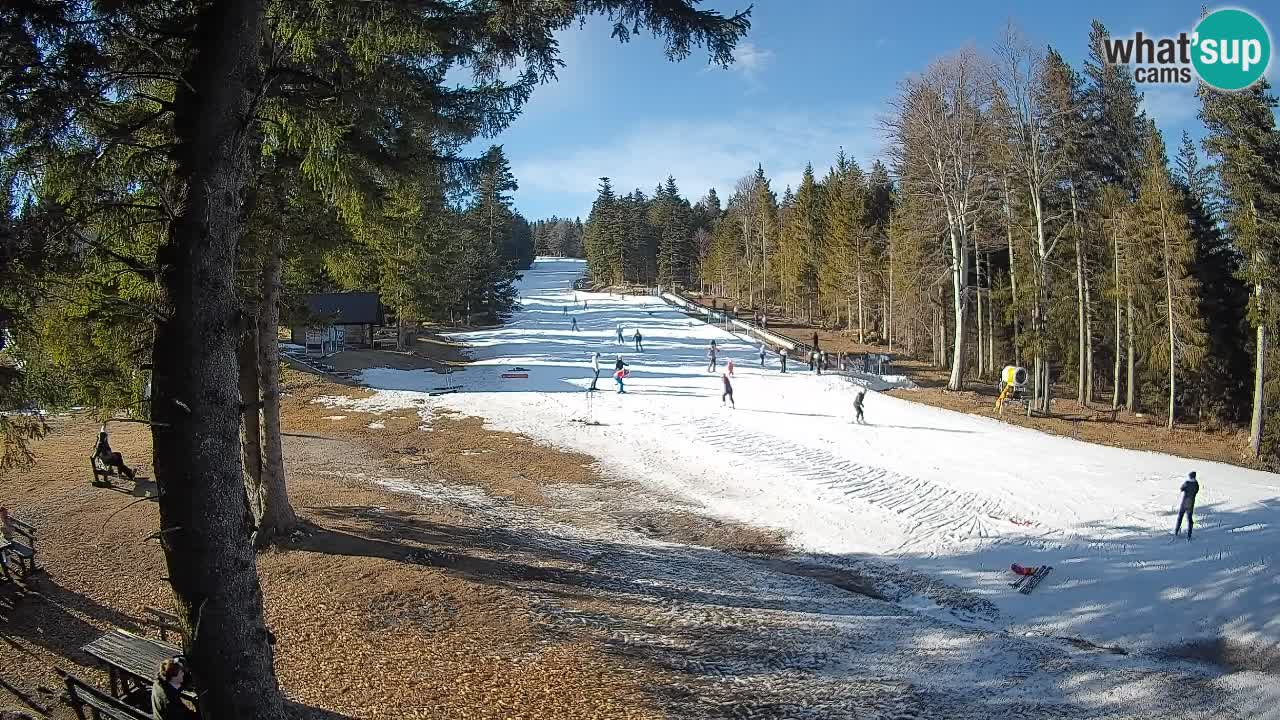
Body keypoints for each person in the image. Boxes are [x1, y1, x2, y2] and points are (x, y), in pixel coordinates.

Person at [1175, 471, 1200, 539]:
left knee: (1180, 517)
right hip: (1191, 504)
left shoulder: (1187, 483)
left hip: (1184, 503)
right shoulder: (1196, 484)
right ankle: (1189, 534)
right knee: (1189, 519)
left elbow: (1181, 489)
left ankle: (1176, 531)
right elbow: (1196, 491)